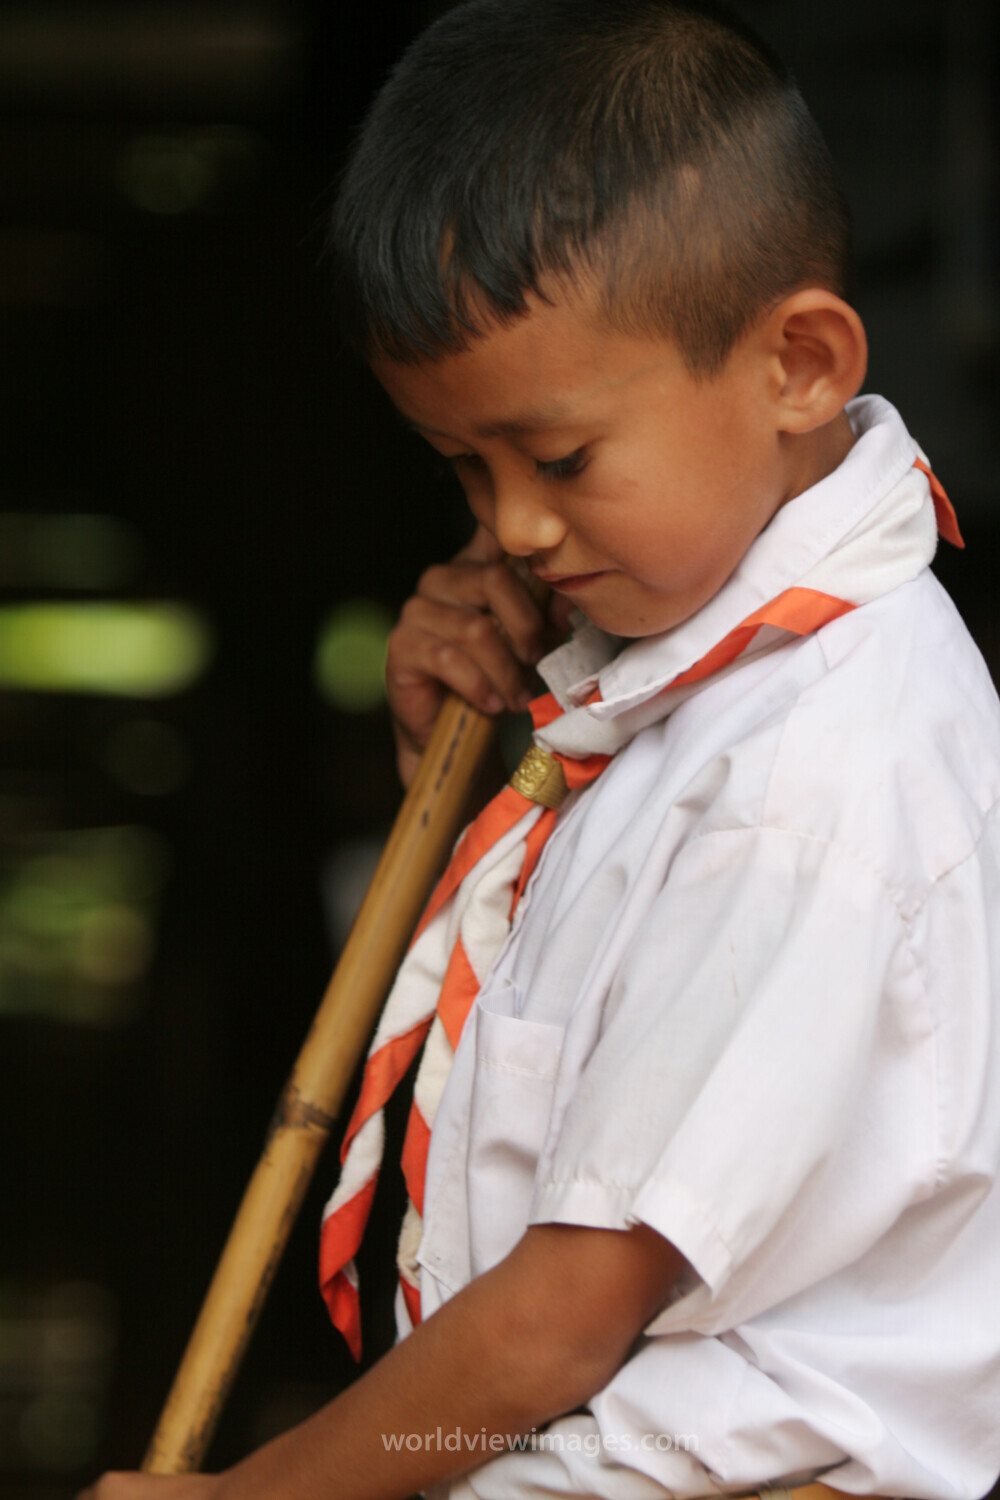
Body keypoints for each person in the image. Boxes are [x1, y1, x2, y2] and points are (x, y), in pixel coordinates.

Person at [81, 3, 1000, 1499]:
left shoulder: (814, 771)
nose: (508, 526)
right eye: (465, 466)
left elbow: (558, 1326)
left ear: (801, 364)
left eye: (560, 460)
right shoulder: (669, 673)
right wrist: (483, 752)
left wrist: (257, 1499)